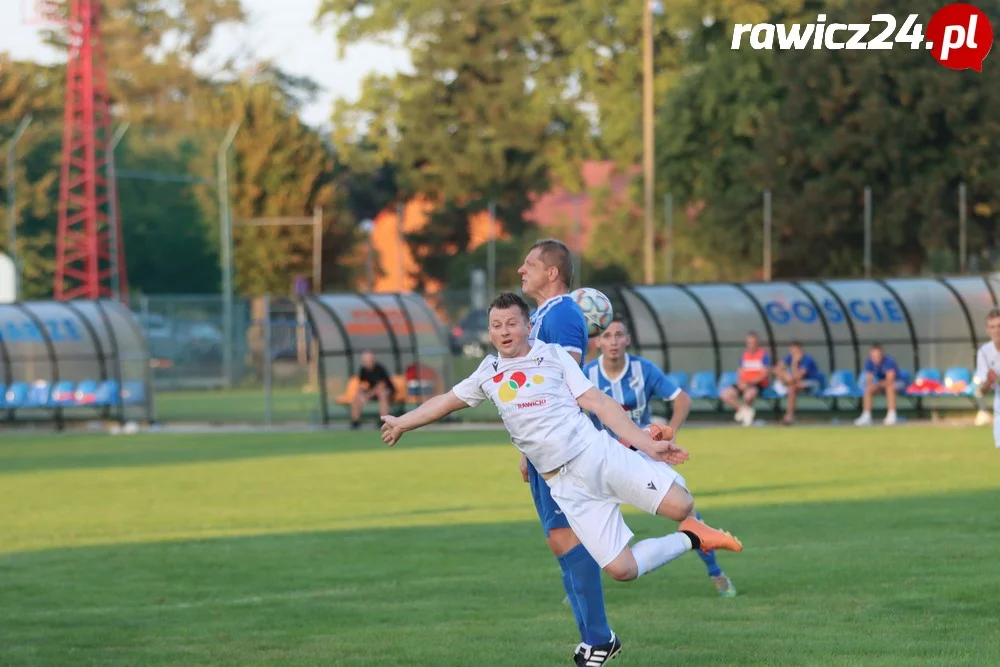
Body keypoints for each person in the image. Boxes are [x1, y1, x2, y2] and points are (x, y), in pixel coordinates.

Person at [380, 293, 743, 658]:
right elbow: (444, 401)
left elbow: (598, 403)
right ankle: (692, 538)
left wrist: (646, 446)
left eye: (511, 323)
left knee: (682, 504)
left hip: (596, 456)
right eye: (496, 325)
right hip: (565, 487)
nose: (504, 332)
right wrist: (402, 422)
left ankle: (688, 520)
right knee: (622, 569)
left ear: (527, 326)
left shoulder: (552, 356)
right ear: (489, 332)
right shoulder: (487, 372)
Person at [516, 239, 621, 665]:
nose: (521, 270)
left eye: (529, 264)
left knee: (572, 538)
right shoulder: (541, 316)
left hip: (563, 451)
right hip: (542, 449)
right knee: (560, 540)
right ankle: (592, 638)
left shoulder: (562, 315)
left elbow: (565, 386)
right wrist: (526, 447)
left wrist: (546, 443)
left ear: (552, 273)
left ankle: (599, 637)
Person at [583, 318, 737, 598]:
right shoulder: (587, 374)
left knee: (687, 509)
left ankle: (716, 573)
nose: (614, 341)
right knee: (585, 523)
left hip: (643, 452)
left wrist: (671, 434)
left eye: (619, 335)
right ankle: (580, 588)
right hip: (604, 459)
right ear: (598, 342)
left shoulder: (643, 369)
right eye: (607, 336)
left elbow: (682, 400)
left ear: (627, 339)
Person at [719, 331, 771, 427]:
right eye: (749, 342)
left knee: (748, 396)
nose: (751, 345)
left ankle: (746, 417)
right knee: (725, 394)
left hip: (757, 385)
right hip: (743, 383)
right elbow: (740, 371)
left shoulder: (763, 356)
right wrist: (741, 383)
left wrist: (751, 382)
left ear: (757, 343)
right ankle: (744, 410)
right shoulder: (744, 356)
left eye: (753, 342)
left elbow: (765, 373)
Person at [773, 342, 823, 426]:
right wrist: (785, 376)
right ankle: (788, 416)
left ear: (801, 351)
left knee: (792, 388)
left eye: (795, 352)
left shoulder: (808, 360)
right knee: (790, 386)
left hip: (813, 383)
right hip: (797, 384)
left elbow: (797, 376)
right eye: (792, 352)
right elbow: (775, 370)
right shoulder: (790, 357)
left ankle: (789, 416)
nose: (793, 354)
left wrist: (794, 364)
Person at [854, 343, 899, 426]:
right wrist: (871, 385)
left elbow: (890, 380)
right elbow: (869, 379)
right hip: (880, 384)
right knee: (868, 389)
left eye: (877, 356)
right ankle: (866, 416)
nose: (875, 358)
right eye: (873, 356)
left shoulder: (889, 362)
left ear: (882, 354)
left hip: (898, 383)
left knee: (890, 388)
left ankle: (892, 415)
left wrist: (877, 385)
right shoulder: (869, 362)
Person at [973, 308, 1000, 446]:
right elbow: (982, 391)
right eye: (993, 327)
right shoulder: (984, 352)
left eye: (999, 326)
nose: (997, 330)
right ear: (987, 330)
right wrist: (989, 381)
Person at [351, 350, 392, 429]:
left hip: (387, 391)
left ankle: (383, 421)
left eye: (369, 360)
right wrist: (362, 394)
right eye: (365, 361)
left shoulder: (379, 369)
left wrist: (368, 395)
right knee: (357, 396)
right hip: (372, 392)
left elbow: (381, 386)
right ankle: (355, 421)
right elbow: (362, 385)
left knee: (382, 394)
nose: (367, 363)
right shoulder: (363, 370)